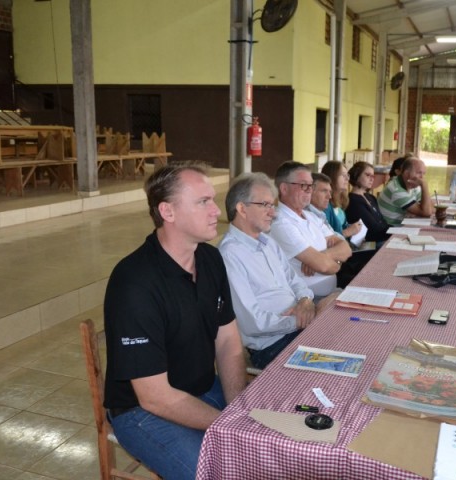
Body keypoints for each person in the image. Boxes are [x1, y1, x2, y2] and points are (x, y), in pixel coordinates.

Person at [103, 163, 246, 480]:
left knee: (270, 449)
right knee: (221, 473)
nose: (215, 211)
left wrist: (236, 406)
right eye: (202, 202)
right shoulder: (135, 283)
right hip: (143, 411)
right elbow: (155, 397)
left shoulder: (210, 259)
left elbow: (228, 340)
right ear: (167, 211)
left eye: (213, 199)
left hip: (204, 389)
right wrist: (228, 424)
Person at [219, 172, 315, 369]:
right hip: (273, 346)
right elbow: (252, 323)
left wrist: (305, 301)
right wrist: (298, 320)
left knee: (340, 310)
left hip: (297, 328)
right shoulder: (229, 254)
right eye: (265, 205)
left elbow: (296, 282)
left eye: (273, 205)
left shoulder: (268, 242)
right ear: (241, 209)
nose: (274, 212)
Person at [269, 161, 352, 298]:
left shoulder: (311, 216)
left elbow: (346, 248)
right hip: (306, 301)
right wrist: (335, 261)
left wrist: (325, 256)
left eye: (310, 185)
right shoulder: (280, 223)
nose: (309, 190)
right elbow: (325, 267)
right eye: (303, 185)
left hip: (330, 293)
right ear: (284, 189)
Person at [377, 156, 433, 226]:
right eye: (419, 173)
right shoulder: (396, 189)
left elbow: (430, 207)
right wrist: (424, 185)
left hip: (403, 225)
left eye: (423, 174)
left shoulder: (413, 185)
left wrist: (419, 210)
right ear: (406, 173)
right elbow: (427, 212)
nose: (422, 178)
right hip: (391, 231)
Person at [346, 161, 390, 243]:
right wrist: (397, 230)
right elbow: (374, 229)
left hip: (381, 238)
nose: (372, 179)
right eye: (367, 175)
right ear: (356, 175)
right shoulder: (353, 201)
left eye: (373, 176)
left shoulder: (370, 197)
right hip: (370, 243)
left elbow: (382, 222)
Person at [320, 160, 362, 238]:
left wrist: (354, 229)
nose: (347, 179)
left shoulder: (341, 200)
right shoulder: (324, 205)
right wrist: (347, 232)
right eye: (343, 175)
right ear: (331, 177)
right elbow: (326, 238)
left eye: (347, 175)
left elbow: (343, 226)